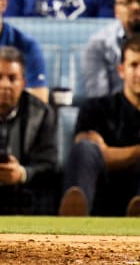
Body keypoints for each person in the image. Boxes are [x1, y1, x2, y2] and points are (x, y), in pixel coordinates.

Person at [59, 35, 140, 217]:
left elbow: (105, 154)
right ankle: (75, 217)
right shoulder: (94, 108)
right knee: (86, 149)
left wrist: (109, 152)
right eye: (134, 65)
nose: (139, 73)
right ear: (121, 70)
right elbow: (89, 154)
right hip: (100, 193)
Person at [0, 46, 58, 215]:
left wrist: (22, 173)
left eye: (12, 78)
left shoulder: (41, 112)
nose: (5, 85)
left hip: (24, 191)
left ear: (23, 84)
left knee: (47, 195)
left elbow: (49, 164)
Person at [82, 0, 140, 99]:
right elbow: (98, 99)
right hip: (117, 114)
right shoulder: (99, 45)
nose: (135, 7)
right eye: (128, 2)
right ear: (116, 11)